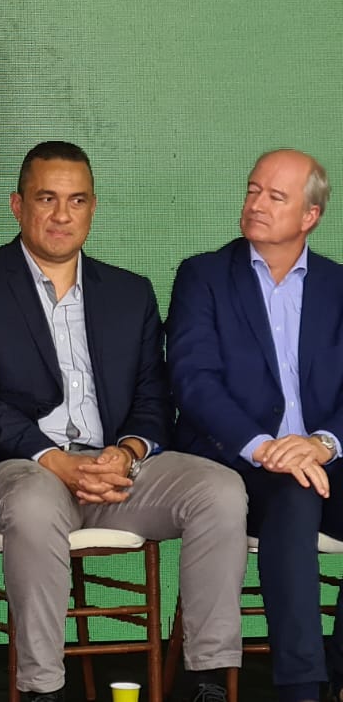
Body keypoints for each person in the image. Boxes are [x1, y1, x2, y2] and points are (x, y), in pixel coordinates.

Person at [0, 141, 245, 702]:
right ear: (17, 205)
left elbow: (153, 396)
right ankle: (44, 689)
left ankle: (206, 679)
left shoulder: (129, 292)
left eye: (76, 200)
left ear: (93, 207)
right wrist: (55, 460)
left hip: (112, 470)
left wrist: (126, 452)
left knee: (220, 490)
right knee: (34, 504)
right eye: (46, 199)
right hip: (20, 466)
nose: (62, 214)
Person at [170, 149, 343, 702]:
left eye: (275, 196)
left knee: (303, 483)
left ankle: (338, 669)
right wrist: (264, 447)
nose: (256, 204)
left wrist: (322, 443)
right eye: (252, 190)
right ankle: (302, 688)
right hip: (238, 462)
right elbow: (193, 380)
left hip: (323, 459)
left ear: (310, 216)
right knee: (295, 495)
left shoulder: (338, 286)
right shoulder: (203, 276)